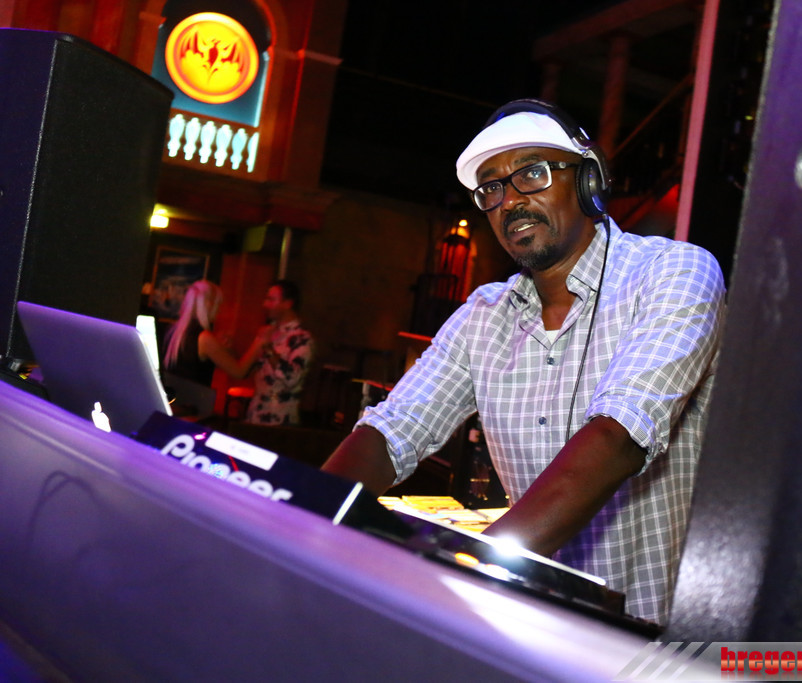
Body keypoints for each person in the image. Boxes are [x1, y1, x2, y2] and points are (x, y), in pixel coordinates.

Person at [321, 99, 726, 626]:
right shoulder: (483, 315)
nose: (509, 200)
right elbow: (391, 432)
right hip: (530, 626)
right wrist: (303, 520)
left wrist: (465, 573)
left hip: (655, 639)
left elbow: (619, 436)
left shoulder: (675, 273)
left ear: (588, 181)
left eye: (532, 173)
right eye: (491, 188)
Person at [163, 279, 266, 385]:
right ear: (209, 305)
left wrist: (220, 347)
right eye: (218, 305)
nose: (219, 311)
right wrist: (259, 342)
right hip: (193, 394)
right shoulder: (204, 338)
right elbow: (239, 372)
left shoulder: (176, 330)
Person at [245, 280, 315, 426]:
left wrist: (268, 348)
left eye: (271, 300)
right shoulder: (270, 332)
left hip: (279, 417)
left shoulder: (302, 338)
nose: (265, 304)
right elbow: (250, 370)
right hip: (256, 411)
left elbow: (292, 378)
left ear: (287, 303)